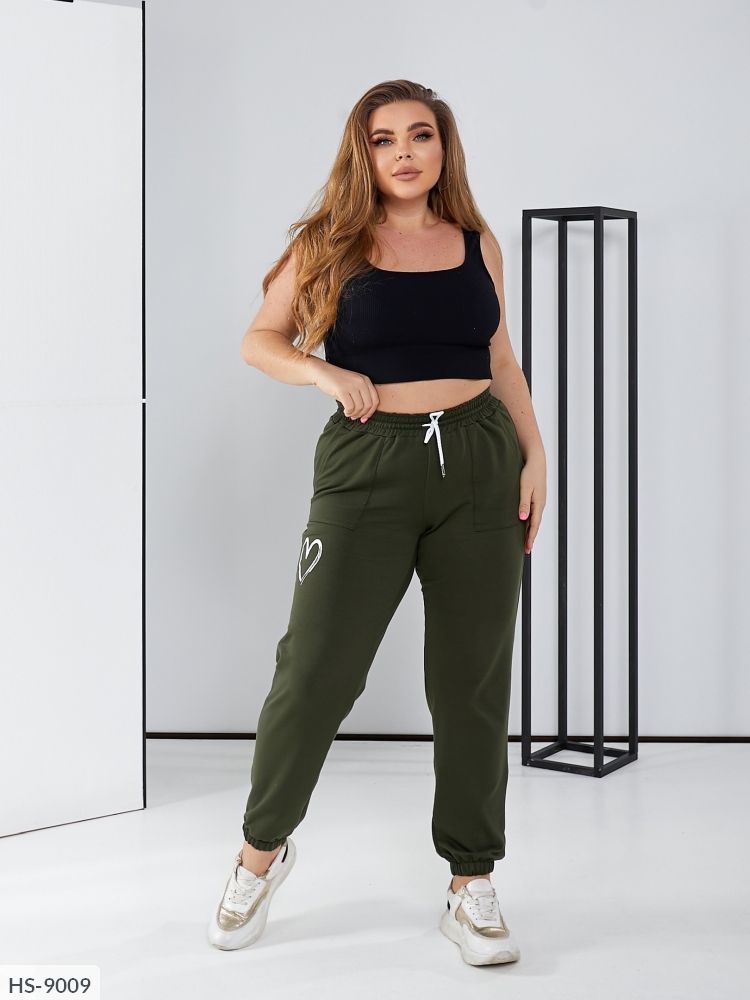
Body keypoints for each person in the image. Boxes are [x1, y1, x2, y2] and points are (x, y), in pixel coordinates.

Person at [208, 79, 547, 965]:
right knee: (315, 669)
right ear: (362, 153)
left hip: (480, 460)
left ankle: (471, 882)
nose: (404, 152)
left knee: (472, 680)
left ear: (443, 148)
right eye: (384, 138)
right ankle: (259, 855)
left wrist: (535, 455)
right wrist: (323, 372)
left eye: (420, 135)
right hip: (368, 466)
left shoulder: (476, 242)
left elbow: (499, 358)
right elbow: (260, 339)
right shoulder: (329, 241)